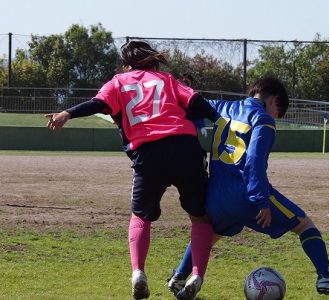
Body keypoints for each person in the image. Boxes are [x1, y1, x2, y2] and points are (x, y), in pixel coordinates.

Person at [45, 41, 215, 299]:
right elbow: (198, 103)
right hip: (184, 149)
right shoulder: (167, 79)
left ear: (126, 64)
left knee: (141, 216)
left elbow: (97, 104)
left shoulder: (118, 82)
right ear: (151, 61)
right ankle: (196, 276)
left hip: (148, 154)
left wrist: (67, 113)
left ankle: (138, 272)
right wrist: (222, 121)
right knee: (200, 217)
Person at [167, 77, 329, 299]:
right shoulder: (263, 120)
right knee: (304, 224)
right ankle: (326, 276)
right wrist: (261, 201)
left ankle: (180, 276)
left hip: (215, 195)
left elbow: (190, 101)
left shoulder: (222, 107)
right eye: (277, 114)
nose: (274, 119)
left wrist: (185, 102)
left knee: (211, 233)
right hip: (245, 194)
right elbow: (254, 162)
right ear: (274, 100)